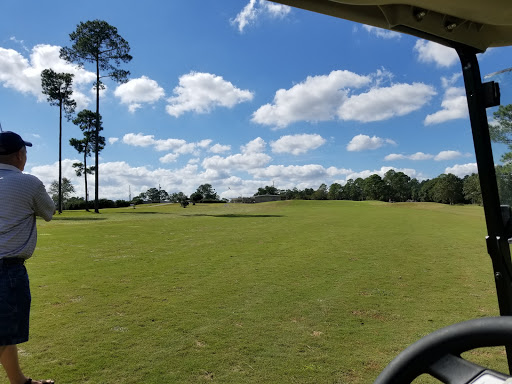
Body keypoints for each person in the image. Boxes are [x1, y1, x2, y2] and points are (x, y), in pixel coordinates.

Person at [0, 131, 56, 384]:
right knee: (4, 331)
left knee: (5, 333)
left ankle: (19, 381)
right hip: (7, 270)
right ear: (21, 155)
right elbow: (48, 211)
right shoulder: (29, 183)